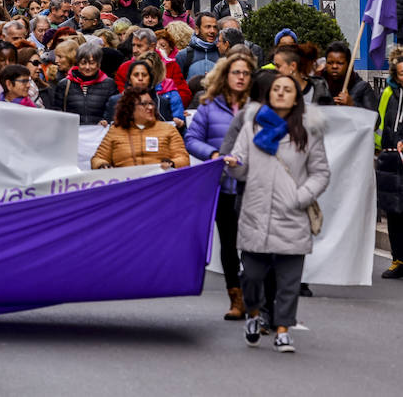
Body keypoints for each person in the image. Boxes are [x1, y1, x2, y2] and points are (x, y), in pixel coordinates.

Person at [224, 73, 331, 353]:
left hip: (291, 214)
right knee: (252, 275)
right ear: (268, 94)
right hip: (255, 212)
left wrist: (300, 197)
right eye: (276, 89)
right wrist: (234, 165)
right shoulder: (251, 127)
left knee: (288, 281)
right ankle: (254, 315)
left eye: (287, 90)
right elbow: (241, 166)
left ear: (297, 97)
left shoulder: (308, 130)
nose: (281, 93)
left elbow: (320, 173)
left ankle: (283, 330)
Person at [187, 51, 255, 320]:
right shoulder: (209, 105)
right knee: (229, 244)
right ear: (226, 76)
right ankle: (235, 298)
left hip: (253, 185)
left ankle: (255, 294)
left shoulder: (259, 107)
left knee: (253, 243)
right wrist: (214, 155)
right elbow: (192, 138)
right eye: (236, 72)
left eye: (246, 73)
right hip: (223, 185)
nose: (240, 77)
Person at [90, 86, 189, 169]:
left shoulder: (168, 129)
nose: (150, 107)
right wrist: (102, 165)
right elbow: (97, 159)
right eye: (143, 104)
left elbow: (183, 158)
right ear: (130, 108)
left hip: (161, 186)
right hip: (127, 186)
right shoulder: (115, 131)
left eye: (151, 103)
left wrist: (172, 163)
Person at [375, 48, 403, 280]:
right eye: (402, 74)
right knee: (393, 211)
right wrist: (379, 146)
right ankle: (397, 259)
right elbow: (380, 121)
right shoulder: (388, 93)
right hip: (391, 158)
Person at [44, 41, 116, 125]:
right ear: (77, 63)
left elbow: (113, 112)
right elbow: (57, 112)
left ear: (98, 64)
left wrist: (106, 121)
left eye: (92, 63)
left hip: (100, 135)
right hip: (73, 134)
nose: (87, 67)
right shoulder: (65, 84)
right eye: (83, 63)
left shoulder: (109, 84)